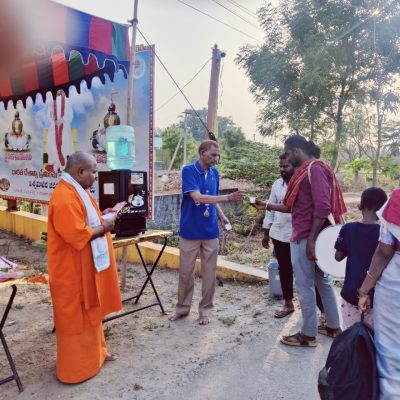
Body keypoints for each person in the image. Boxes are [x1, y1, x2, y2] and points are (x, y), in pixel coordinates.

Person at [47, 151, 122, 383]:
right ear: (80, 172)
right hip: (72, 273)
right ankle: (76, 370)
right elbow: (78, 233)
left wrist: (105, 215)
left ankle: (97, 355)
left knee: (92, 312)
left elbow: (89, 219)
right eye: (93, 172)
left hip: (86, 268)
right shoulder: (64, 197)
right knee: (75, 319)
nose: (96, 177)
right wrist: (105, 227)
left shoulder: (78, 191)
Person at [268, 135, 346, 347]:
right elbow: (305, 205)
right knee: (322, 282)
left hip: (307, 237)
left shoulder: (314, 169)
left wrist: (311, 240)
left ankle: (308, 334)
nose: (287, 159)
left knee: (305, 285)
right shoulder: (311, 170)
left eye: (288, 154)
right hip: (310, 236)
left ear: (295, 151)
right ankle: (332, 326)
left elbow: (323, 207)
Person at [169, 140, 245, 325]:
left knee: (209, 274)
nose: (216, 158)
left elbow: (212, 198)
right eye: (213, 155)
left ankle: (205, 311)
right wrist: (228, 197)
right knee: (186, 274)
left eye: (218, 155)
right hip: (190, 231)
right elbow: (198, 197)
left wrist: (221, 215)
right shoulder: (189, 171)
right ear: (202, 153)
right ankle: (182, 308)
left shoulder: (214, 173)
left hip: (210, 231)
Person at [359, 188, 400, 398]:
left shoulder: (398, 199)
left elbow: (384, 252)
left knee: (392, 358)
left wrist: (364, 291)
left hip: (395, 288)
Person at [334, 187, 387, 329]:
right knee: (373, 339)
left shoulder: (348, 229)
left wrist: (350, 244)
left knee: (350, 336)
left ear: (360, 206)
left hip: (351, 293)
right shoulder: (385, 234)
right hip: (376, 297)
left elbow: (337, 257)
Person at [46, 89, 74, 172]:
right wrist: (51, 114)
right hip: (54, 127)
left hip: (63, 126)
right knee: (51, 141)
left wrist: (62, 120)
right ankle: (55, 164)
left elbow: (70, 114)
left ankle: (64, 165)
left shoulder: (66, 100)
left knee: (64, 143)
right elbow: (49, 116)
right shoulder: (52, 101)